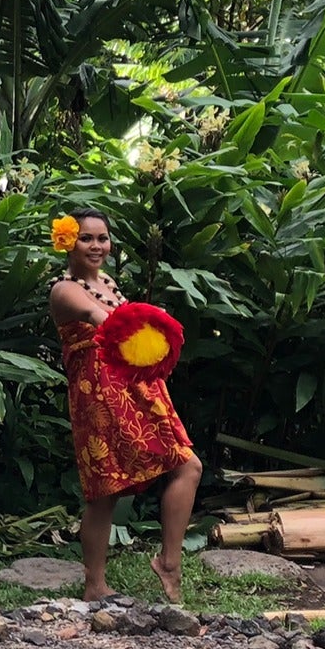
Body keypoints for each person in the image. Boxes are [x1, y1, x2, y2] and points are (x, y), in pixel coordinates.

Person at [48, 209, 202, 604]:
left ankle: (169, 562)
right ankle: (94, 585)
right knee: (105, 491)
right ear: (68, 243)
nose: (96, 246)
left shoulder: (109, 283)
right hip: (98, 397)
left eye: (102, 238)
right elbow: (100, 318)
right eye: (86, 238)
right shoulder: (64, 290)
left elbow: (124, 325)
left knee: (188, 466)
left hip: (137, 389)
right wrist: (146, 326)